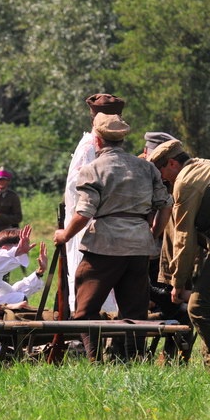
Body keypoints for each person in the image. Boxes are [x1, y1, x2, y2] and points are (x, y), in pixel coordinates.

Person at [53, 113, 172, 362]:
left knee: (85, 308)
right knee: (135, 310)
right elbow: (165, 205)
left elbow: (84, 213)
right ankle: (132, 358)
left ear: (97, 140)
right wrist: (153, 233)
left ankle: (94, 359)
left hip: (104, 246)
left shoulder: (93, 169)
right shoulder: (146, 167)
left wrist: (64, 234)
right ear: (122, 140)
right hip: (139, 246)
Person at [148, 139, 210, 369]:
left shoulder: (185, 182)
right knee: (205, 301)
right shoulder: (207, 166)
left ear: (171, 163)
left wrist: (177, 283)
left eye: (160, 173)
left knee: (199, 307)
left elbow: (184, 237)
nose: (162, 180)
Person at [63, 93, 125, 315]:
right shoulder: (90, 146)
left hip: (100, 224)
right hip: (87, 224)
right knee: (88, 281)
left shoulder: (103, 146)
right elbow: (77, 187)